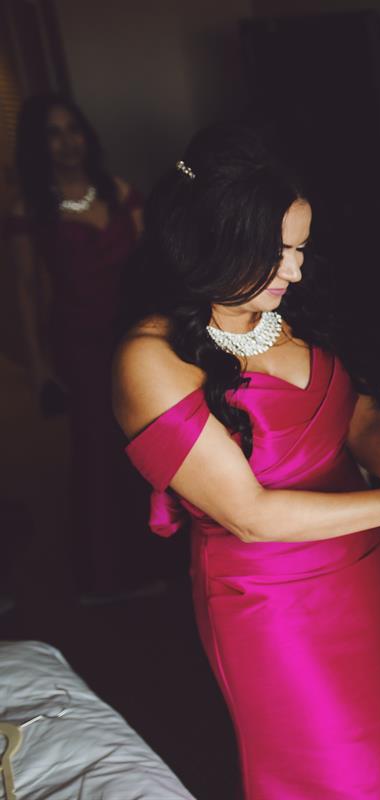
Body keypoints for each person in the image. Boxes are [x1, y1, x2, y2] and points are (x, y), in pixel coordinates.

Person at [112, 125, 380, 799]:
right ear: (211, 242)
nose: (295, 271)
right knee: (337, 775)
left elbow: (360, 419)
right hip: (271, 601)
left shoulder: (292, 310)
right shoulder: (153, 359)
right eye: (274, 253)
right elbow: (251, 516)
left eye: (299, 249)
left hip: (364, 569)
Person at [4, 94, 155, 599]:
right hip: (78, 341)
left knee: (143, 441)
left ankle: (151, 557)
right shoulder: (32, 208)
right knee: (96, 450)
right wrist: (38, 364)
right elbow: (27, 290)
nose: (67, 142)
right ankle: (104, 575)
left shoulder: (119, 192)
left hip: (133, 336)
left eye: (73, 129)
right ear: (38, 144)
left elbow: (150, 270)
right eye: (53, 132)